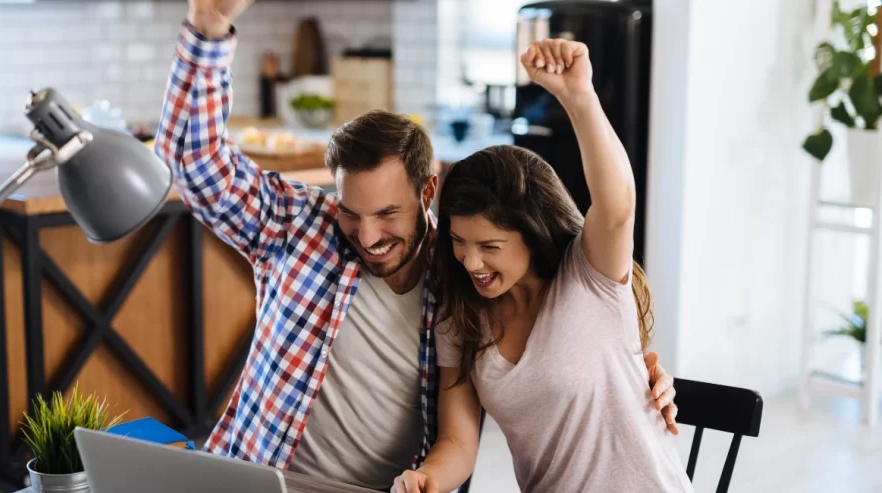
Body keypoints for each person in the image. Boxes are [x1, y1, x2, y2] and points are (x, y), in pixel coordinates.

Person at [154, 1, 680, 490]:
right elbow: (194, 163)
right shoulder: (301, 227)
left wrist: (635, 374)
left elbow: (609, 226)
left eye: (388, 214)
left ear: (427, 191)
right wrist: (209, 24)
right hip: (253, 478)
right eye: (351, 212)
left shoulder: (458, 289)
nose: (367, 236)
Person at [389, 40, 694, 493]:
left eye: (490, 246)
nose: (471, 261)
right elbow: (458, 440)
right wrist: (425, 479)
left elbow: (616, 207)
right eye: (458, 241)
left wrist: (578, 96)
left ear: (531, 232)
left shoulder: (588, 276)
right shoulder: (462, 319)